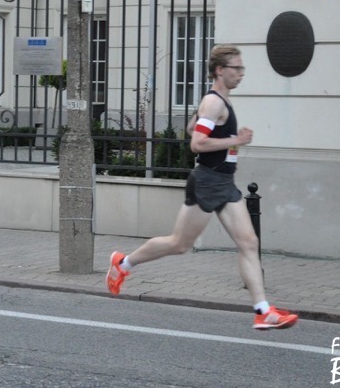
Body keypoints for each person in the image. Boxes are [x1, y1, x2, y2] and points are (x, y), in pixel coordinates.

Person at [106, 45, 298, 330]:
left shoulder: (217, 102)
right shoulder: (214, 103)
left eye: (242, 68)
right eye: (236, 68)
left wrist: (224, 136)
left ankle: (263, 311)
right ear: (220, 70)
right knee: (179, 244)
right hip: (208, 181)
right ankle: (123, 263)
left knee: (248, 243)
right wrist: (236, 140)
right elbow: (196, 143)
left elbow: (191, 128)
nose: (241, 73)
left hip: (224, 182)